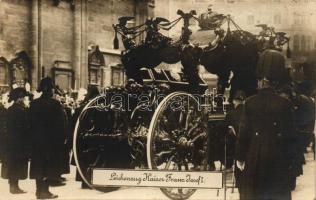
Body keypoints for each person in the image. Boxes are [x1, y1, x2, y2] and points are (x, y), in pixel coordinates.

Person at [236, 50, 295, 200]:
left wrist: (240, 157)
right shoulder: (285, 103)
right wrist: (291, 162)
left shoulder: (250, 102)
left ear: (260, 79)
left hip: (254, 155)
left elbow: (244, 134)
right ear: (276, 79)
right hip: (278, 157)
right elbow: (290, 136)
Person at [29, 77, 66, 199]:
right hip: (51, 142)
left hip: (36, 141)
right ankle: (45, 191)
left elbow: (29, 123)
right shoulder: (55, 104)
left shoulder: (33, 104)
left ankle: (38, 191)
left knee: (38, 165)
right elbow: (60, 125)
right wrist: (62, 140)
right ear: (50, 90)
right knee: (48, 166)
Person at [1, 88, 30, 194]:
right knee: (16, 164)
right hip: (18, 142)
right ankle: (14, 187)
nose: (23, 99)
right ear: (19, 98)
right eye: (22, 98)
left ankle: (13, 186)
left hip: (10, 142)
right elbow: (25, 127)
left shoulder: (10, 110)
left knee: (12, 164)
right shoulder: (21, 110)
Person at [224, 90, 246, 192]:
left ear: (233, 101)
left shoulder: (230, 114)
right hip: (249, 147)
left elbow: (225, 132)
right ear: (244, 101)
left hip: (233, 148)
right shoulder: (249, 113)